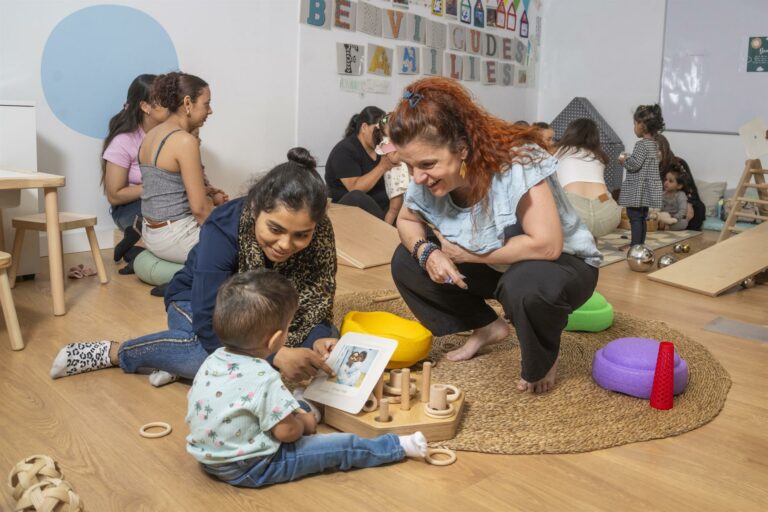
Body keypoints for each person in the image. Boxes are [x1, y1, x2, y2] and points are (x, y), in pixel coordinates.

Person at [51, 149, 340, 385]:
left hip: (263, 317)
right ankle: (116, 352)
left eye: (301, 235)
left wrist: (317, 341)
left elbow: (316, 305)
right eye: (275, 229)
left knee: (329, 342)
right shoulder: (223, 227)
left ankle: (173, 363)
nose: (285, 244)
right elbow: (207, 322)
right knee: (206, 353)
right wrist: (274, 357)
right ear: (255, 209)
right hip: (194, 303)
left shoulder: (320, 234)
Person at [388, 78, 602, 394]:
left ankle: (543, 355)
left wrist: (466, 255)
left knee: (525, 286)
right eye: (409, 166)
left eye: (427, 164)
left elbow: (547, 246)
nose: (417, 177)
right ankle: (487, 326)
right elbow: (406, 219)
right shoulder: (425, 179)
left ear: (462, 148)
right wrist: (427, 253)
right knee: (406, 260)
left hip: (563, 265)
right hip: (498, 264)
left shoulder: (517, 161)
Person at [186, 269, 427, 488]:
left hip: (211, 458)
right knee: (339, 447)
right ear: (275, 340)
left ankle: (305, 405)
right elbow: (287, 432)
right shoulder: (264, 376)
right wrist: (305, 424)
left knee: (290, 407)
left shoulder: (214, 359)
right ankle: (396, 447)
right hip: (252, 467)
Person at [138, 71, 213, 264]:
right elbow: (200, 209)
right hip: (176, 238)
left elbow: (166, 188)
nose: (210, 111)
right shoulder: (184, 141)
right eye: (206, 104)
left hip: (151, 234)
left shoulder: (150, 135)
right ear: (188, 103)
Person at [102, 74, 170, 268]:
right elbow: (114, 195)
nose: (171, 106)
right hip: (131, 208)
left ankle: (136, 250)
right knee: (156, 208)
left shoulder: (172, 136)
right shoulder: (124, 141)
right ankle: (136, 239)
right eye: (164, 101)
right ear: (145, 106)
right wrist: (154, 187)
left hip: (163, 201)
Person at [324, 106, 400, 223]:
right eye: (376, 130)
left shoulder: (381, 147)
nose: (380, 135)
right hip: (349, 209)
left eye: (382, 131)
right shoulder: (344, 150)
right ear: (364, 127)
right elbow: (355, 188)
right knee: (357, 196)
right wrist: (382, 166)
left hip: (383, 206)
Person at [554, 118, 621, 238]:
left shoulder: (560, 152)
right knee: (604, 195)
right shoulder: (599, 156)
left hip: (575, 211)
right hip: (606, 211)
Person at [617, 104, 664, 247]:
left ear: (641, 125)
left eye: (635, 124)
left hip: (638, 189)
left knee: (635, 217)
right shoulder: (654, 145)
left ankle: (635, 246)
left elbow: (635, 165)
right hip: (646, 189)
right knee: (642, 217)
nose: (634, 127)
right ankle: (639, 245)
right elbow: (650, 162)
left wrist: (624, 161)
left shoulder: (641, 145)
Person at [374, 114, 411, 225]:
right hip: (395, 180)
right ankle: (385, 229)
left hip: (403, 177)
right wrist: (404, 149)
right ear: (385, 131)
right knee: (394, 208)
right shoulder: (386, 142)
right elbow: (394, 158)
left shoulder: (398, 140)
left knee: (405, 207)